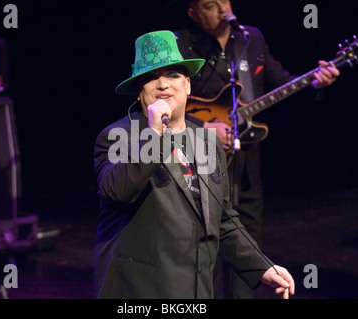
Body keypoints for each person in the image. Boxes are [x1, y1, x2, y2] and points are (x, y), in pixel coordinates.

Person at [93, 30, 295, 299]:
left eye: (172, 75)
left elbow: (222, 219)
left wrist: (261, 266)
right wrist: (154, 133)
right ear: (139, 92)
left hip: (195, 290)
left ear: (187, 85)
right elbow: (119, 190)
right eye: (151, 78)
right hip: (141, 291)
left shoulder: (207, 142)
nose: (163, 84)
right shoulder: (118, 136)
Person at [169, 0, 340, 298]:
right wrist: (203, 129)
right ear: (194, 14)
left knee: (247, 236)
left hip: (245, 159)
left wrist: (315, 82)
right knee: (199, 236)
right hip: (198, 161)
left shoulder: (251, 38)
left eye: (225, 0)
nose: (223, 9)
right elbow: (167, 101)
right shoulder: (180, 43)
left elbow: (282, 81)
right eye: (211, 5)